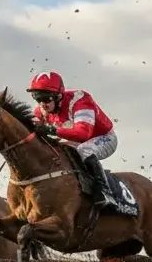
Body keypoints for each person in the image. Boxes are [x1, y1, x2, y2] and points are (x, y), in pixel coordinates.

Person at [26, 71, 119, 211]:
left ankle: (105, 192)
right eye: (37, 98)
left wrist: (52, 130)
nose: (42, 104)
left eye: (45, 98)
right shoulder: (41, 111)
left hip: (104, 138)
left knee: (84, 150)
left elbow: (83, 134)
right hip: (75, 140)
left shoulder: (80, 101)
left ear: (58, 96)